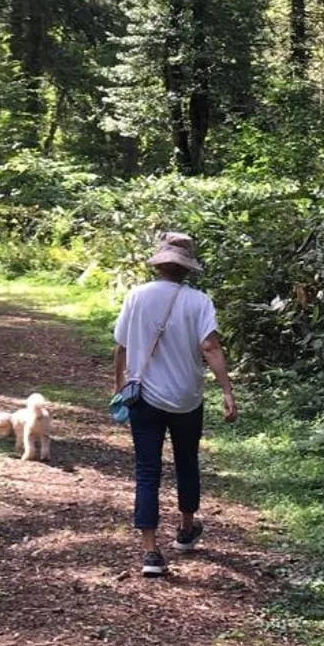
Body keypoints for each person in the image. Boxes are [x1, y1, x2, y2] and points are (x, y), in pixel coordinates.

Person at [112, 232, 237, 579]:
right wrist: (227, 390)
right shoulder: (199, 302)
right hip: (186, 398)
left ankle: (150, 552)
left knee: (147, 471)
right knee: (186, 462)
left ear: (160, 264)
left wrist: (119, 384)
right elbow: (210, 348)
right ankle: (185, 529)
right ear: (187, 268)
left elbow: (121, 346)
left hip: (144, 398)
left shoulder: (136, 296)